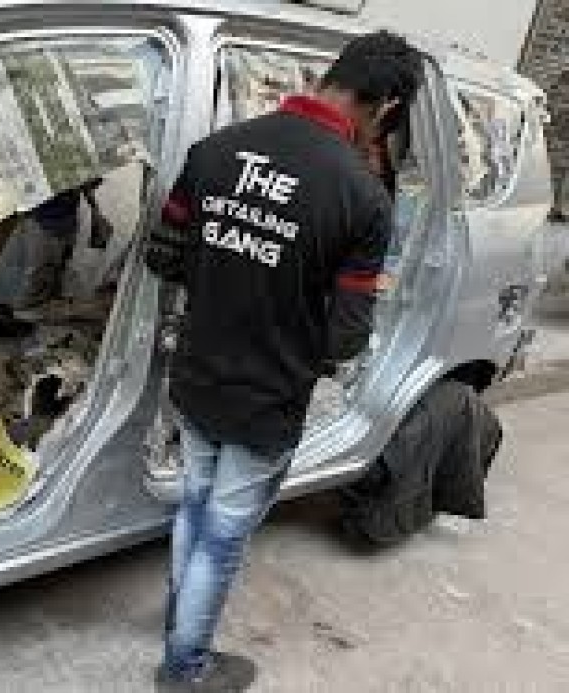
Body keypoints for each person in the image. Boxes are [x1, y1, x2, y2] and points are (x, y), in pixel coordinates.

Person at [145, 31, 424, 691]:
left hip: (198, 372)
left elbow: (164, 254)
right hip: (267, 397)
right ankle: (185, 667)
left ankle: (179, 625)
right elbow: (346, 338)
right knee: (224, 533)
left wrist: (225, 275)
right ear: (387, 106)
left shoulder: (216, 150)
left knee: (194, 504)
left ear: (332, 75)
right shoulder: (363, 198)